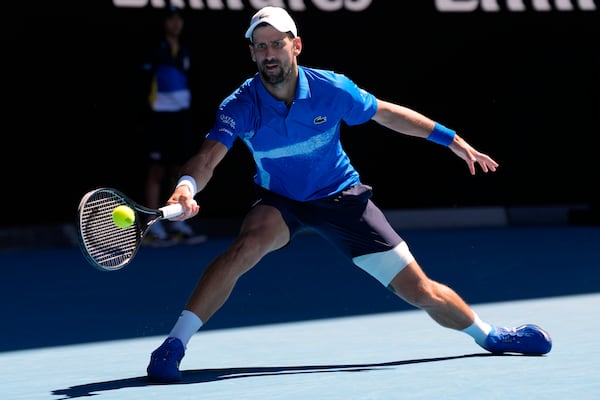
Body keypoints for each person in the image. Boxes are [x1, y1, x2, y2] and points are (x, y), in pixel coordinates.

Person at [146, 6, 552, 382]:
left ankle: (490, 336)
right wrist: (185, 188)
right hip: (282, 201)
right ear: (252, 53)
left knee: (420, 290)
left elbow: (389, 113)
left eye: (277, 43)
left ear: (296, 45)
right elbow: (206, 157)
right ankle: (173, 345)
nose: (270, 54)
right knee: (242, 250)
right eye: (261, 46)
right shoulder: (241, 103)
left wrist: (451, 140)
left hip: (341, 196)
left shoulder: (331, 89)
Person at [139, 5, 206, 246]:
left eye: (179, 19)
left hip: (181, 117)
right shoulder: (154, 51)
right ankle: (153, 227)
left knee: (179, 170)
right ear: (164, 23)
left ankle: (177, 221)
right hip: (159, 117)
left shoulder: (186, 51)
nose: (176, 24)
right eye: (171, 19)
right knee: (156, 170)